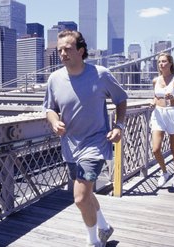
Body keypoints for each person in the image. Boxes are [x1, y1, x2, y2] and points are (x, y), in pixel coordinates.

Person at [43, 30, 128, 247]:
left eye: (68, 49)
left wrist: (119, 126)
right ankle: (105, 227)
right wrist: (54, 122)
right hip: (70, 146)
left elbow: (121, 99)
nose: (63, 53)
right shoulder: (54, 79)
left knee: (80, 197)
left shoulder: (101, 74)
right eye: (60, 50)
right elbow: (49, 109)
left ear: (81, 51)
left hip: (96, 143)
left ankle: (93, 241)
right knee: (87, 194)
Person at [150, 52, 174, 189]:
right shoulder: (155, 80)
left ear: (171, 63)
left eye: (164, 61)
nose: (161, 64)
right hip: (158, 114)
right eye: (160, 61)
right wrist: (153, 102)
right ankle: (164, 172)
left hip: (172, 113)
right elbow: (156, 96)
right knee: (155, 149)